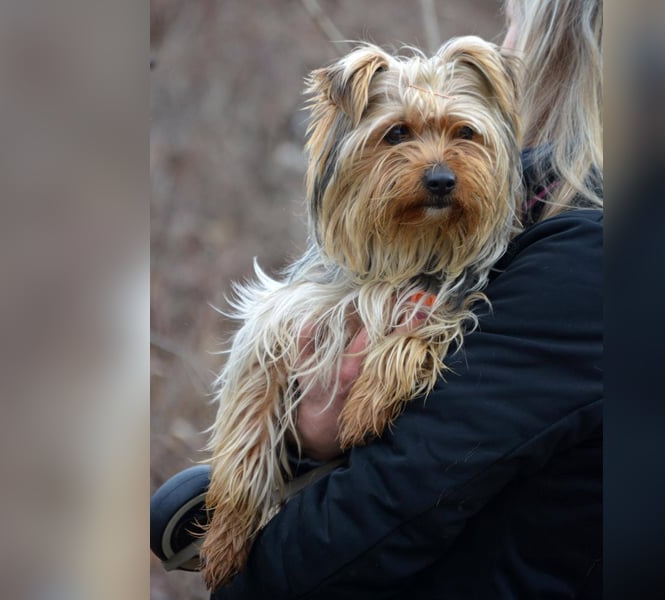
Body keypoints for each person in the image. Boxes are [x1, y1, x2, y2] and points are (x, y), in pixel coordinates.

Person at [213, 0, 603, 597]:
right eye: (398, 136)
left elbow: (402, 496)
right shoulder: (546, 213)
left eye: (462, 134)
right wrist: (254, 482)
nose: (438, 167)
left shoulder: (562, 251)